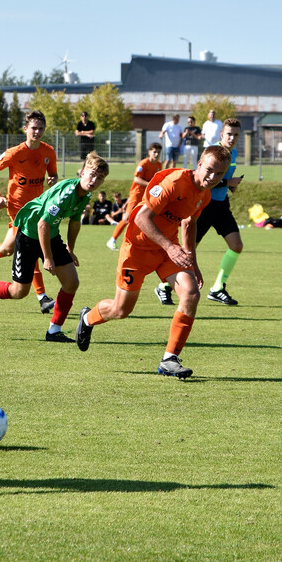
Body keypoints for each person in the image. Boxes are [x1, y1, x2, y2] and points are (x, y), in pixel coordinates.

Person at [73, 145, 231, 379]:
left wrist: (193, 263)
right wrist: (170, 246)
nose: (212, 177)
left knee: (191, 294)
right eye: (209, 170)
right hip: (137, 249)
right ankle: (88, 318)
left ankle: (169, 359)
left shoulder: (205, 194)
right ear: (199, 164)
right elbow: (141, 217)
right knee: (121, 310)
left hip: (167, 249)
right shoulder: (174, 183)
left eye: (219, 174)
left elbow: (189, 224)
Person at [0, 152, 109, 343]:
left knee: (71, 282)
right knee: (19, 292)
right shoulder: (66, 193)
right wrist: (48, 258)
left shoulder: (86, 194)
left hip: (50, 234)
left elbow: (75, 222)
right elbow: (42, 224)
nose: (94, 180)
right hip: (28, 234)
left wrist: (70, 249)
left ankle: (54, 331)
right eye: (91, 174)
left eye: (99, 178)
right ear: (82, 172)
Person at [0, 111, 59, 316]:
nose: (37, 132)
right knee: (29, 246)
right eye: (34, 128)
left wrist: (53, 180)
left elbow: (53, 174)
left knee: (8, 249)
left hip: (37, 209)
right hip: (18, 209)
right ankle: (42, 298)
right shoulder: (15, 153)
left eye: (41, 128)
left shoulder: (48, 152)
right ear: (25, 129)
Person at [156, 118, 243, 307]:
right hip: (203, 206)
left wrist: (231, 186)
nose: (232, 138)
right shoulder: (212, 152)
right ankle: (164, 287)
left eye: (236, 134)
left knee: (236, 245)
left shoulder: (233, 153)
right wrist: (229, 183)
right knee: (188, 251)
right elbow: (203, 179)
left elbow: (220, 179)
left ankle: (218, 287)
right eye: (229, 134)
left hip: (221, 206)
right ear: (221, 134)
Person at [107, 142, 163, 251]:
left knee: (145, 218)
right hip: (136, 195)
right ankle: (112, 240)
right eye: (154, 151)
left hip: (148, 196)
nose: (156, 154)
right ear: (149, 152)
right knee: (127, 218)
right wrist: (149, 185)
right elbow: (136, 179)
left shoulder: (159, 165)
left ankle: (140, 243)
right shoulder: (143, 163)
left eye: (158, 152)